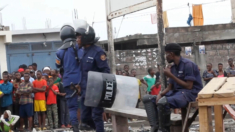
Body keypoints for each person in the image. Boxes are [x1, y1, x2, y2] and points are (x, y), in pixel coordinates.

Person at [142, 43, 203, 132]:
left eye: (166, 54)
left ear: (171, 54)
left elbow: (189, 86)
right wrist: (160, 94)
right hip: (177, 93)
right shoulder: (173, 67)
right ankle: (154, 127)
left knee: (163, 102)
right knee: (148, 98)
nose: (166, 57)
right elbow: (170, 87)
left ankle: (164, 130)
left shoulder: (188, 64)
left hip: (190, 93)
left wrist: (170, 75)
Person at [75, 20, 110, 132]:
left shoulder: (98, 52)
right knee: (85, 118)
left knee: (96, 116)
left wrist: (103, 92)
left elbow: (106, 71)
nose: (77, 40)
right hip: (85, 91)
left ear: (86, 38)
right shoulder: (83, 52)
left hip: (96, 91)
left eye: (79, 37)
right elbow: (83, 72)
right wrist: (80, 86)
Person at [55, 24, 83, 131]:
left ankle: (75, 128)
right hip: (80, 80)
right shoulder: (78, 47)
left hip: (68, 82)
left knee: (72, 107)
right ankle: (86, 123)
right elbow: (82, 59)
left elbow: (57, 65)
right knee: (85, 102)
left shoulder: (59, 51)